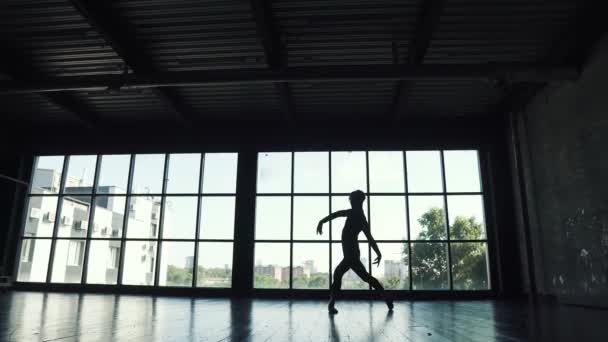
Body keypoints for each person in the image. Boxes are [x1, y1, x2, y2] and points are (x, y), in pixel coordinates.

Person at [317, 190, 393, 314]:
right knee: (365, 277)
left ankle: (331, 305)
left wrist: (322, 221)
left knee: (343, 275)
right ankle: (386, 298)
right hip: (350, 254)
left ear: (358, 201)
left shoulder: (356, 215)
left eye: (351, 200)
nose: (350, 202)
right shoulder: (357, 215)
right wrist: (378, 253)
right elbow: (337, 214)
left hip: (351, 255)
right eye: (350, 200)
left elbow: (369, 238)